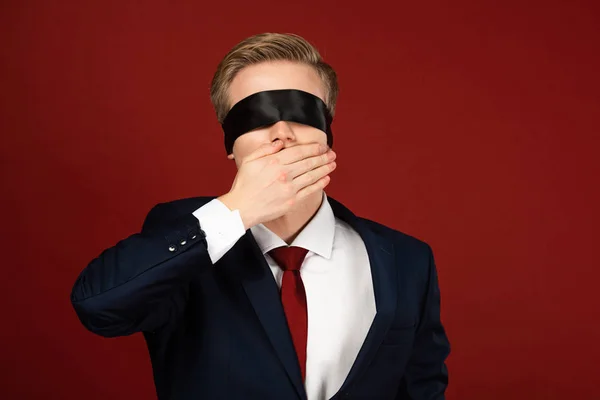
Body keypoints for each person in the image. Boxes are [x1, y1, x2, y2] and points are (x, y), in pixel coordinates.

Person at [70, 32, 450, 400]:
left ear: (327, 132)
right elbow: (99, 307)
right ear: (230, 145)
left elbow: (422, 387)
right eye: (254, 117)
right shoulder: (182, 235)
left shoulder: (406, 259)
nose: (281, 132)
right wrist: (241, 208)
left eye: (302, 112)